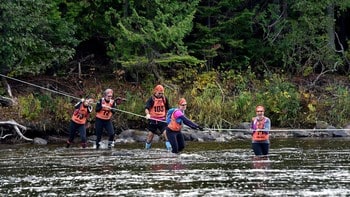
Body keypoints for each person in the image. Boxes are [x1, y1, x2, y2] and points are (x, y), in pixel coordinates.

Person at [144, 84, 171, 150]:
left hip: (162, 120)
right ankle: (147, 148)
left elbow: (168, 109)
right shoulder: (151, 99)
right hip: (153, 120)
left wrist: (168, 116)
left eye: (162, 93)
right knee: (150, 135)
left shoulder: (164, 99)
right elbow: (146, 108)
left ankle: (170, 149)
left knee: (166, 134)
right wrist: (148, 114)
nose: (160, 95)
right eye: (159, 93)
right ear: (155, 92)